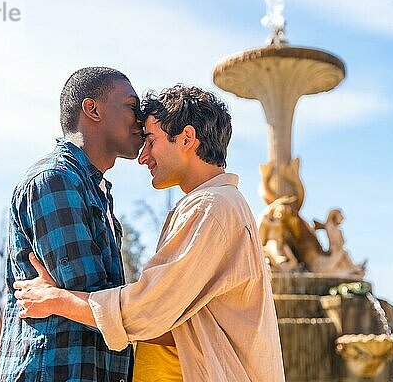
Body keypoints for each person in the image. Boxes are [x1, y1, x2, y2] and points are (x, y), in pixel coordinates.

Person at [14, 85, 286, 381]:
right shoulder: (216, 205)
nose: (143, 157)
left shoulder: (210, 208)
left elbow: (150, 311)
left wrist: (57, 300)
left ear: (187, 138)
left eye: (151, 140)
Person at [0, 67, 145, 382]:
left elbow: (100, 306)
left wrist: (61, 298)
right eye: (133, 106)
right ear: (92, 109)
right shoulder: (55, 180)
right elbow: (98, 303)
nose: (142, 119)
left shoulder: (94, 189)